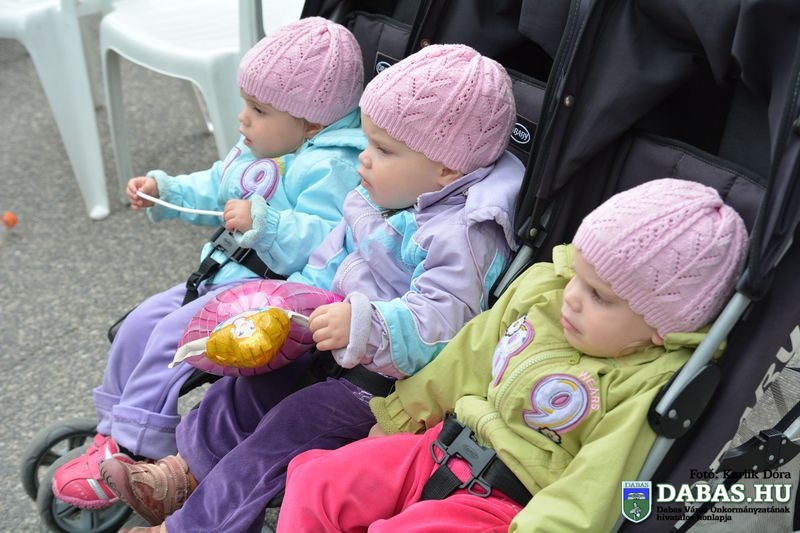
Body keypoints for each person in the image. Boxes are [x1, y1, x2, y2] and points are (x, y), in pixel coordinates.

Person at [99, 43, 524, 533]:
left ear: (447, 169)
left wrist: (366, 325)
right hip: (330, 335)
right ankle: (183, 475)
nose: (363, 159)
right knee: (245, 390)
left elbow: (442, 324)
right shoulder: (388, 194)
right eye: (368, 143)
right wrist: (289, 304)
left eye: (383, 151)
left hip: (385, 384)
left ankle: (193, 526)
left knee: (285, 431)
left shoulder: (461, 235)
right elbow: (330, 256)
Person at [274, 178, 750, 533]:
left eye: (599, 297)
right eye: (577, 275)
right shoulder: (546, 293)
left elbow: (597, 487)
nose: (572, 297)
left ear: (660, 329)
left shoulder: (649, 383)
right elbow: (469, 357)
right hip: (439, 444)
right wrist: (403, 414)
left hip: (505, 505)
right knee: (316, 480)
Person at [52, 16, 366, 510]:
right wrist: (166, 190)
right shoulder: (266, 144)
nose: (243, 119)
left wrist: (266, 223)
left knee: (170, 339)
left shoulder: (332, 166)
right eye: (246, 104)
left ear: (312, 124)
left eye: (258, 110)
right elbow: (218, 181)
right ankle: (111, 427)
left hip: (262, 296)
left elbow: (329, 239)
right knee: (139, 325)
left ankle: (135, 444)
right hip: (218, 276)